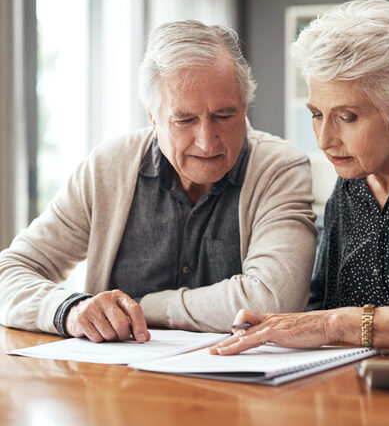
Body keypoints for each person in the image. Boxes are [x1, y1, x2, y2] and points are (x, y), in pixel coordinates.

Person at [0, 20, 317, 343]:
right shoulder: (107, 168)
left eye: (224, 115)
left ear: (245, 107)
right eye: (184, 119)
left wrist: (143, 306)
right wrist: (70, 309)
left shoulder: (280, 167)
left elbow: (273, 300)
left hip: (241, 388)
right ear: (152, 118)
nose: (207, 141)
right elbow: (9, 272)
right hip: (118, 384)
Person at [211, 0, 389, 359]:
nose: (323, 140)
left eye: (347, 117)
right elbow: (324, 302)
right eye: (317, 114)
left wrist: (336, 324)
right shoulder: (349, 185)